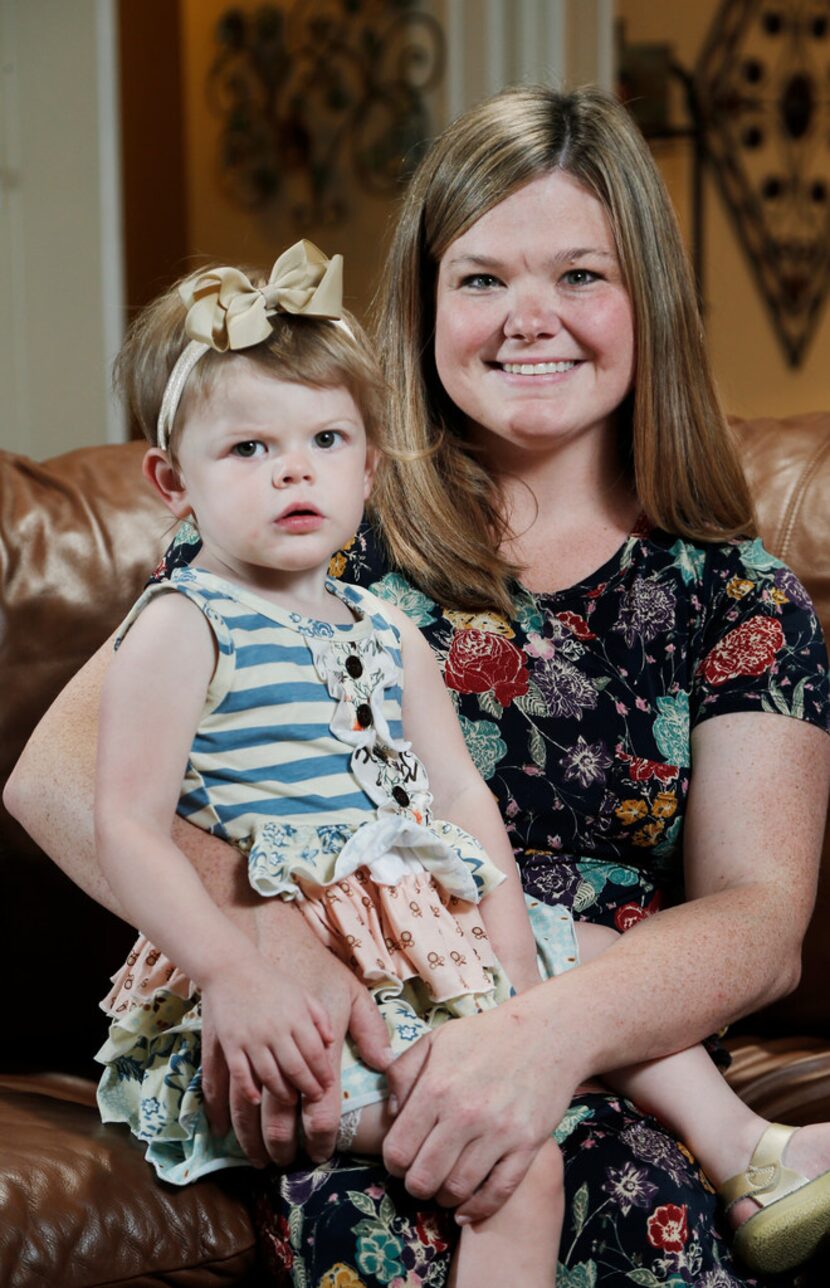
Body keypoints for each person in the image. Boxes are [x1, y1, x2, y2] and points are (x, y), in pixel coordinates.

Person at [5, 84, 830, 1287]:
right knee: (415, 1208)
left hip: (592, 1022)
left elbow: (756, 925)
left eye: (580, 277)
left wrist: (533, 1033)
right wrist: (263, 945)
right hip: (357, 1020)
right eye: (481, 278)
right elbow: (59, 777)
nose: (526, 319)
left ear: (645, 297)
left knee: (633, 1194)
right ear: (427, 305)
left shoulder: (738, 597)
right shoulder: (315, 515)